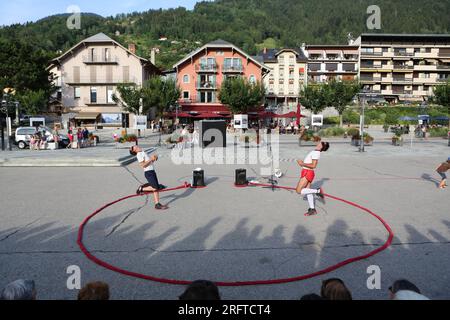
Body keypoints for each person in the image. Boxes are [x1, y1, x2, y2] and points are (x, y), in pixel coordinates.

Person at [296, 141, 330, 216]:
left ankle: (317, 191)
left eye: (320, 143)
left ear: (321, 147)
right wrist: (303, 164)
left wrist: (302, 164)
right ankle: (312, 209)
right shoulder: (315, 151)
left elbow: (313, 165)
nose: (318, 143)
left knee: (298, 191)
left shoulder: (316, 153)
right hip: (308, 171)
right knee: (308, 191)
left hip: (307, 172)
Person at [130, 146, 168, 210]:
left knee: (156, 188)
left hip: (152, 171)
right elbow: (143, 165)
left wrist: (153, 159)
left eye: (137, 146)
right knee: (155, 187)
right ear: (135, 151)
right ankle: (142, 189)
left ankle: (157, 204)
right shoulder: (139, 154)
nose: (138, 147)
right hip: (148, 173)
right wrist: (151, 159)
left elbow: (148, 163)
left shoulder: (143, 152)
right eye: (136, 148)